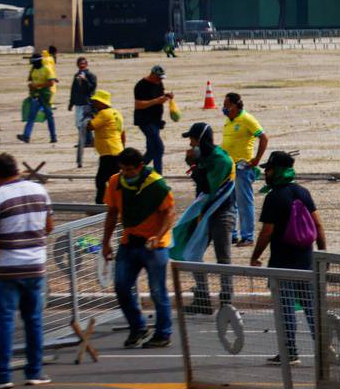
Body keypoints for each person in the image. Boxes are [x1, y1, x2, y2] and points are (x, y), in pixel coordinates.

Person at [0, 153, 52, 389]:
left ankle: (2, 375)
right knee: (33, 320)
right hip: (35, 265)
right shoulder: (39, 190)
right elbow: (49, 225)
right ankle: (35, 371)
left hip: (8, 269)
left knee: (6, 322)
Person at [252, 151, 324, 365]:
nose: (265, 173)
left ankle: (290, 351)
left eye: (268, 169)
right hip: (306, 260)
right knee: (311, 307)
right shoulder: (303, 192)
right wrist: (321, 253)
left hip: (282, 263)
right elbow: (318, 225)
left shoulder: (274, 197)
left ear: (277, 171)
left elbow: (267, 231)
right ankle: (323, 347)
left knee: (285, 309)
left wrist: (255, 256)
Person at [101, 147, 175, 349]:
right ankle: (138, 327)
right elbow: (111, 213)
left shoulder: (156, 184)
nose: (126, 173)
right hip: (129, 243)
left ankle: (163, 333)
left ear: (140, 167)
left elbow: (169, 214)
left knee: (157, 291)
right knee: (121, 287)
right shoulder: (115, 182)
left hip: (154, 247)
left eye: (129, 170)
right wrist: (105, 242)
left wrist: (157, 236)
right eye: (122, 169)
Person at [173, 121, 236, 315]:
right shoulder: (204, 157)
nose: (191, 144)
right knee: (193, 251)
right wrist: (194, 164)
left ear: (201, 140)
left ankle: (227, 300)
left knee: (223, 258)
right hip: (204, 212)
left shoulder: (220, 160)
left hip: (221, 213)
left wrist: (193, 164)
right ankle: (203, 297)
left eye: (193, 139)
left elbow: (209, 188)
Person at [220, 92, 266, 246]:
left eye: (227, 105)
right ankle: (232, 234)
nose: (224, 108)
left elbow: (263, 138)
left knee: (244, 202)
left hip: (242, 167)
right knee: (230, 201)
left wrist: (257, 159)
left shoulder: (247, 119)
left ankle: (248, 236)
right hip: (228, 168)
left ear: (235, 105)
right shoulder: (228, 120)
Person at [85, 88, 124, 204]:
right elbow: (122, 133)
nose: (95, 104)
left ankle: (100, 203)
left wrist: (89, 116)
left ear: (102, 102)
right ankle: (117, 202)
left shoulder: (104, 113)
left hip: (109, 152)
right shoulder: (117, 113)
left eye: (96, 102)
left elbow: (90, 126)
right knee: (115, 180)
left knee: (101, 180)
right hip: (117, 149)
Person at [131, 64, 171, 166]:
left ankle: (138, 170)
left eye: (161, 78)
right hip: (145, 121)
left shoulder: (159, 83)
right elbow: (138, 105)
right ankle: (158, 174)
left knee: (152, 150)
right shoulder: (141, 85)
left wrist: (166, 97)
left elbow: (159, 97)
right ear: (152, 74)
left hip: (156, 120)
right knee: (159, 148)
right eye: (158, 77)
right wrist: (156, 101)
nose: (160, 80)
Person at [20, 51, 56, 144]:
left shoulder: (47, 69)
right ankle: (26, 136)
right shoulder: (34, 70)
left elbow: (51, 83)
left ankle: (53, 137)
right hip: (35, 96)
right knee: (31, 116)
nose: (33, 65)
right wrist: (31, 86)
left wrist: (38, 85)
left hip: (45, 96)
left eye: (34, 63)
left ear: (39, 62)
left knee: (49, 116)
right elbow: (31, 81)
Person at [66, 55, 96, 145]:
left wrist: (85, 80)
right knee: (78, 123)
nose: (81, 65)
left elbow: (91, 88)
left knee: (84, 123)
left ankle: (87, 141)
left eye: (83, 63)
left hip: (86, 102)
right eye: (80, 63)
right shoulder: (76, 76)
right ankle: (86, 140)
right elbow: (73, 90)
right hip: (78, 103)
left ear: (86, 64)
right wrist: (71, 103)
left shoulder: (91, 75)